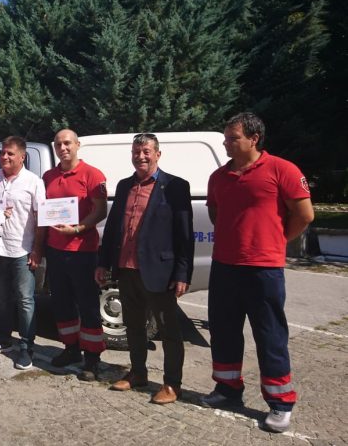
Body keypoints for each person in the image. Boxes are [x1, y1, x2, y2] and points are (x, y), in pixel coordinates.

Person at [200, 113, 314, 433]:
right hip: (224, 266)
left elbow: (304, 215)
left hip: (263, 269)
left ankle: (280, 403)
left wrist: (276, 240)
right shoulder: (218, 177)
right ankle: (227, 389)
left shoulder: (282, 169)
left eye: (233, 138)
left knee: (269, 335)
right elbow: (216, 213)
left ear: (254, 139)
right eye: (226, 137)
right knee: (223, 331)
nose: (226, 143)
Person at [96, 133, 194, 404]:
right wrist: (103, 262)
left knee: (169, 331)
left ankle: (172, 384)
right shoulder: (124, 185)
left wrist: (182, 273)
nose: (140, 156)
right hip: (126, 269)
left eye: (146, 151)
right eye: (136, 152)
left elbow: (184, 234)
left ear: (158, 154)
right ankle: (138, 373)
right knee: (134, 326)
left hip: (160, 272)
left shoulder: (175, 186)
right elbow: (113, 228)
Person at [43, 129, 108, 380]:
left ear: (77, 145)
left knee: (88, 304)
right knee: (61, 302)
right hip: (55, 250)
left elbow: (100, 211)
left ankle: (92, 357)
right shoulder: (49, 176)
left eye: (67, 143)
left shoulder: (92, 174)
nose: (63, 148)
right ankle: (71, 348)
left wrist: (78, 228)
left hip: (82, 250)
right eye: (59, 144)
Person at [0, 136, 46, 370]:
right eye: (3, 153)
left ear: (22, 157)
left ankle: (26, 347)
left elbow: (41, 219)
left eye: (10, 153)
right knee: (1, 298)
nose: (5, 157)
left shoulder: (34, 182)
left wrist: (37, 250)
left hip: (21, 249)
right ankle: (3, 340)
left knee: (25, 300)